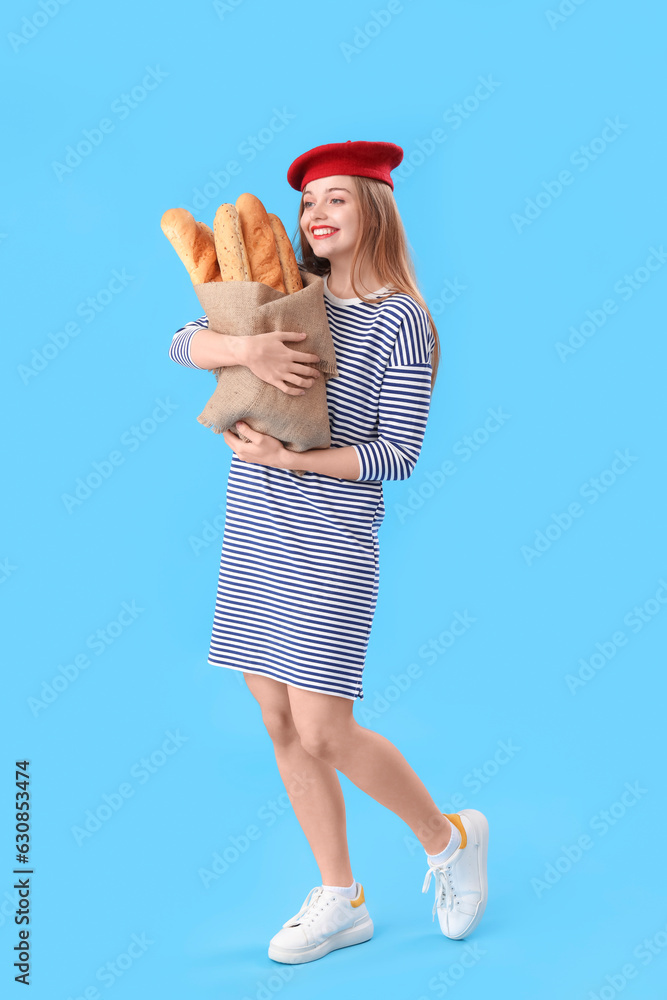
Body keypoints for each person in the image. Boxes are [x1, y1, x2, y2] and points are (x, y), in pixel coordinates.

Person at [168, 140, 489, 964]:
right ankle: (339, 896)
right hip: (254, 528)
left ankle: (447, 840)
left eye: (337, 198)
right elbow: (181, 341)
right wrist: (247, 349)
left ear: (375, 209)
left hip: (331, 537)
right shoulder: (285, 296)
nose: (317, 214)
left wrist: (294, 461)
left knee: (322, 727)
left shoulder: (400, 320)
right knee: (276, 718)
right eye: (309, 203)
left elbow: (395, 453)